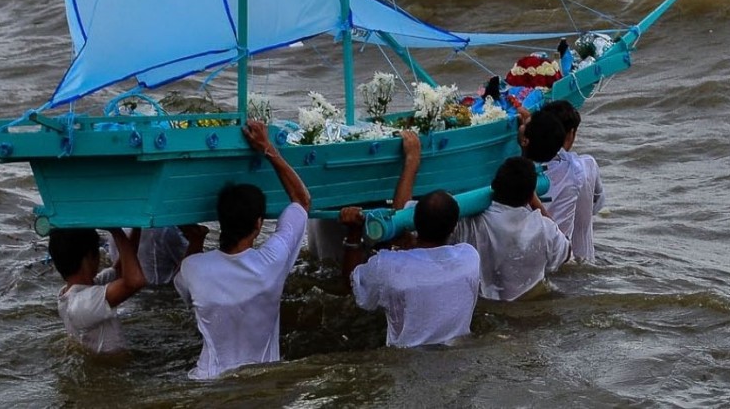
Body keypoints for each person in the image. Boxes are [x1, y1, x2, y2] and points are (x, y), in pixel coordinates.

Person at [174, 119, 312, 379]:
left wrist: (195, 241)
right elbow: (302, 201)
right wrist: (268, 149)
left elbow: (184, 289)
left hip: (205, 381)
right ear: (259, 224)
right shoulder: (271, 262)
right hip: (260, 380)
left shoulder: (193, 268)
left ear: (220, 222)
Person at [339, 130, 481, 347]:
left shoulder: (388, 266)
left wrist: (353, 233)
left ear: (413, 221)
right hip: (455, 355)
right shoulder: (470, 258)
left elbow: (352, 284)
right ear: (453, 227)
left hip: (407, 360)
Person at [452, 152, 570, 302]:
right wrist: (536, 204)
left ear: (494, 186)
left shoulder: (471, 222)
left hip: (483, 303)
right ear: (530, 196)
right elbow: (566, 252)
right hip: (530, 303)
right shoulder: (544, 228)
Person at [48, 226, 147, 353]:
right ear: (89, 257)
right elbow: (135, 281)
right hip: (116, 369)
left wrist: (137, 225)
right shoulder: (84, 303)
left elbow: (121, 270)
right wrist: (116, 231)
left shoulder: (72, 293)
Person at [536, 100, 604, 262]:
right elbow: (597, 205)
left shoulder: (529, 170)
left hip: (541, 260)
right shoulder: (587, 165)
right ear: (571, 133)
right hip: (583, 258)